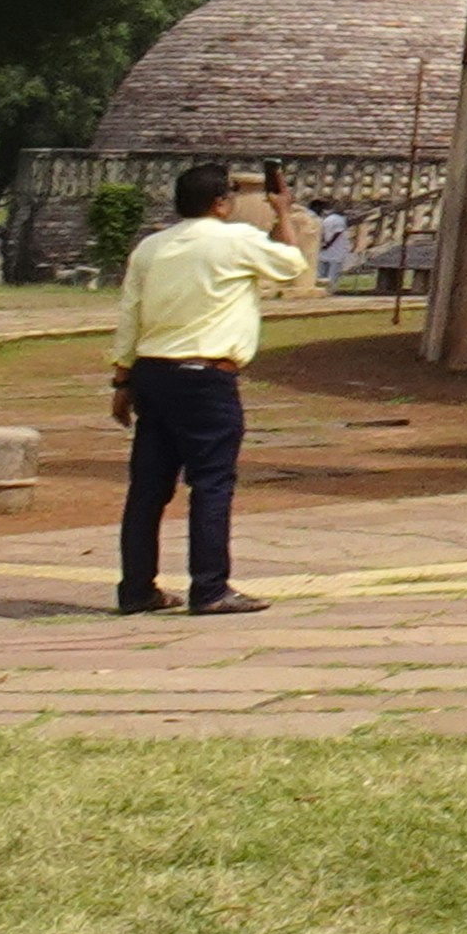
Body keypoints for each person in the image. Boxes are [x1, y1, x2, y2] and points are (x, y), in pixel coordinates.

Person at [109, 160, 313, 615]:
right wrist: (282, 212)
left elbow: (130, 315)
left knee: (147, 488)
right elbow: (291, 266)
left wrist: (122, 380)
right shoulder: (236, 241)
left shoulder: (151, 247)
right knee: (212, 483)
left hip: (152, 373)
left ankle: (137, 587)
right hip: (206, 378)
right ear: (221, 204)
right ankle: (210, 587)